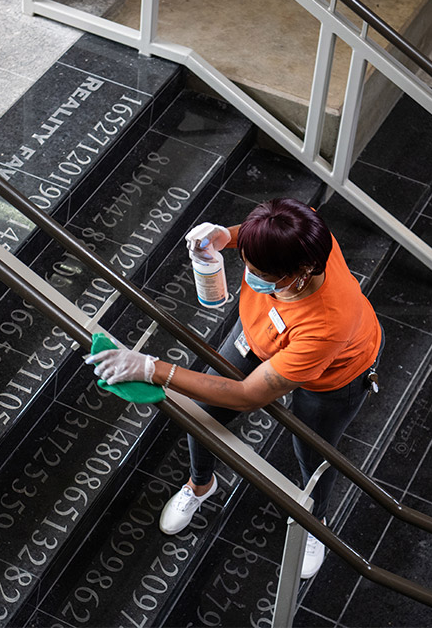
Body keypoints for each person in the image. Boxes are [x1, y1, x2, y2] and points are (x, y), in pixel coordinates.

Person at [85, 197, 383, 579]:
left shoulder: (327, 323)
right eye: (246, 260)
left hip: (334, 375)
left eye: (259, 271)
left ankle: (316, 522)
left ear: (302, 271)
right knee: (205, 414)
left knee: (312, 453)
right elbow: (259, 240)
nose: (249, 273)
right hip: (262, 335)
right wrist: (226, 236)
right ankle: (200, 484)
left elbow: (248, 395)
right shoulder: (302, 227)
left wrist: (152, 368)